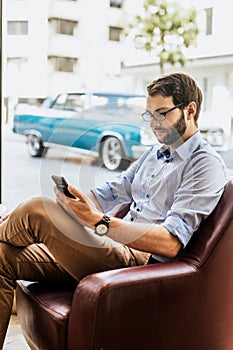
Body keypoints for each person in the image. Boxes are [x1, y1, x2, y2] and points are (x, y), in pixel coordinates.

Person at [0, 72, 228, 348]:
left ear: (190, 110)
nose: (154, 123)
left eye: (161, 113)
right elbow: (109, 193)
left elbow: (170, 242)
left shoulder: (204, 164)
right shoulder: (153, 155)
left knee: (38, 209)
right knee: (2, 255)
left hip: (138, 262)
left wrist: (99, 222)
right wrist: (76, 203)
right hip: (110, 246)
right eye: (149, 115)